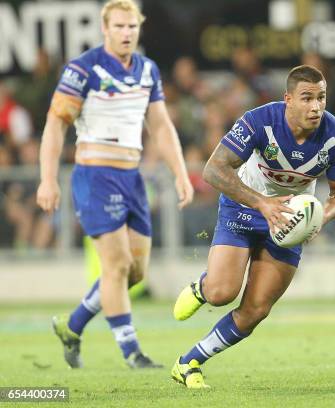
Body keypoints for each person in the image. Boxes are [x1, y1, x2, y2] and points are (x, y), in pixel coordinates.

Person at [170, 65, 335, 389]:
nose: (316, 107)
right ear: (288, 100)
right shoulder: (259, 121)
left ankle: (189, 362)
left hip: (288, 223)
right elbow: (214, 170)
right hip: (244, 208)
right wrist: (262, 203)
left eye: (321, 98)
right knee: (221, 293)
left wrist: (320, 217)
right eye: (307, 98)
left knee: (256, 309)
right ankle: (204, 287)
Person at [36, 0, 193, 369]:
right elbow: (55, 125)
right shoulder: (82, 69)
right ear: (105, 29)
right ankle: (132, 352)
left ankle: (72, 325)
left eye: (132, 27)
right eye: (119, 27)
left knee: (134, 272)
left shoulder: (147, 70)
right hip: (95, 177)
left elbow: (161, 126)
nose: (126, 33)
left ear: (139, 29)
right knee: (118, 264)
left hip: (132, 178)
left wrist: (181, 173)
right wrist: (47, 179)